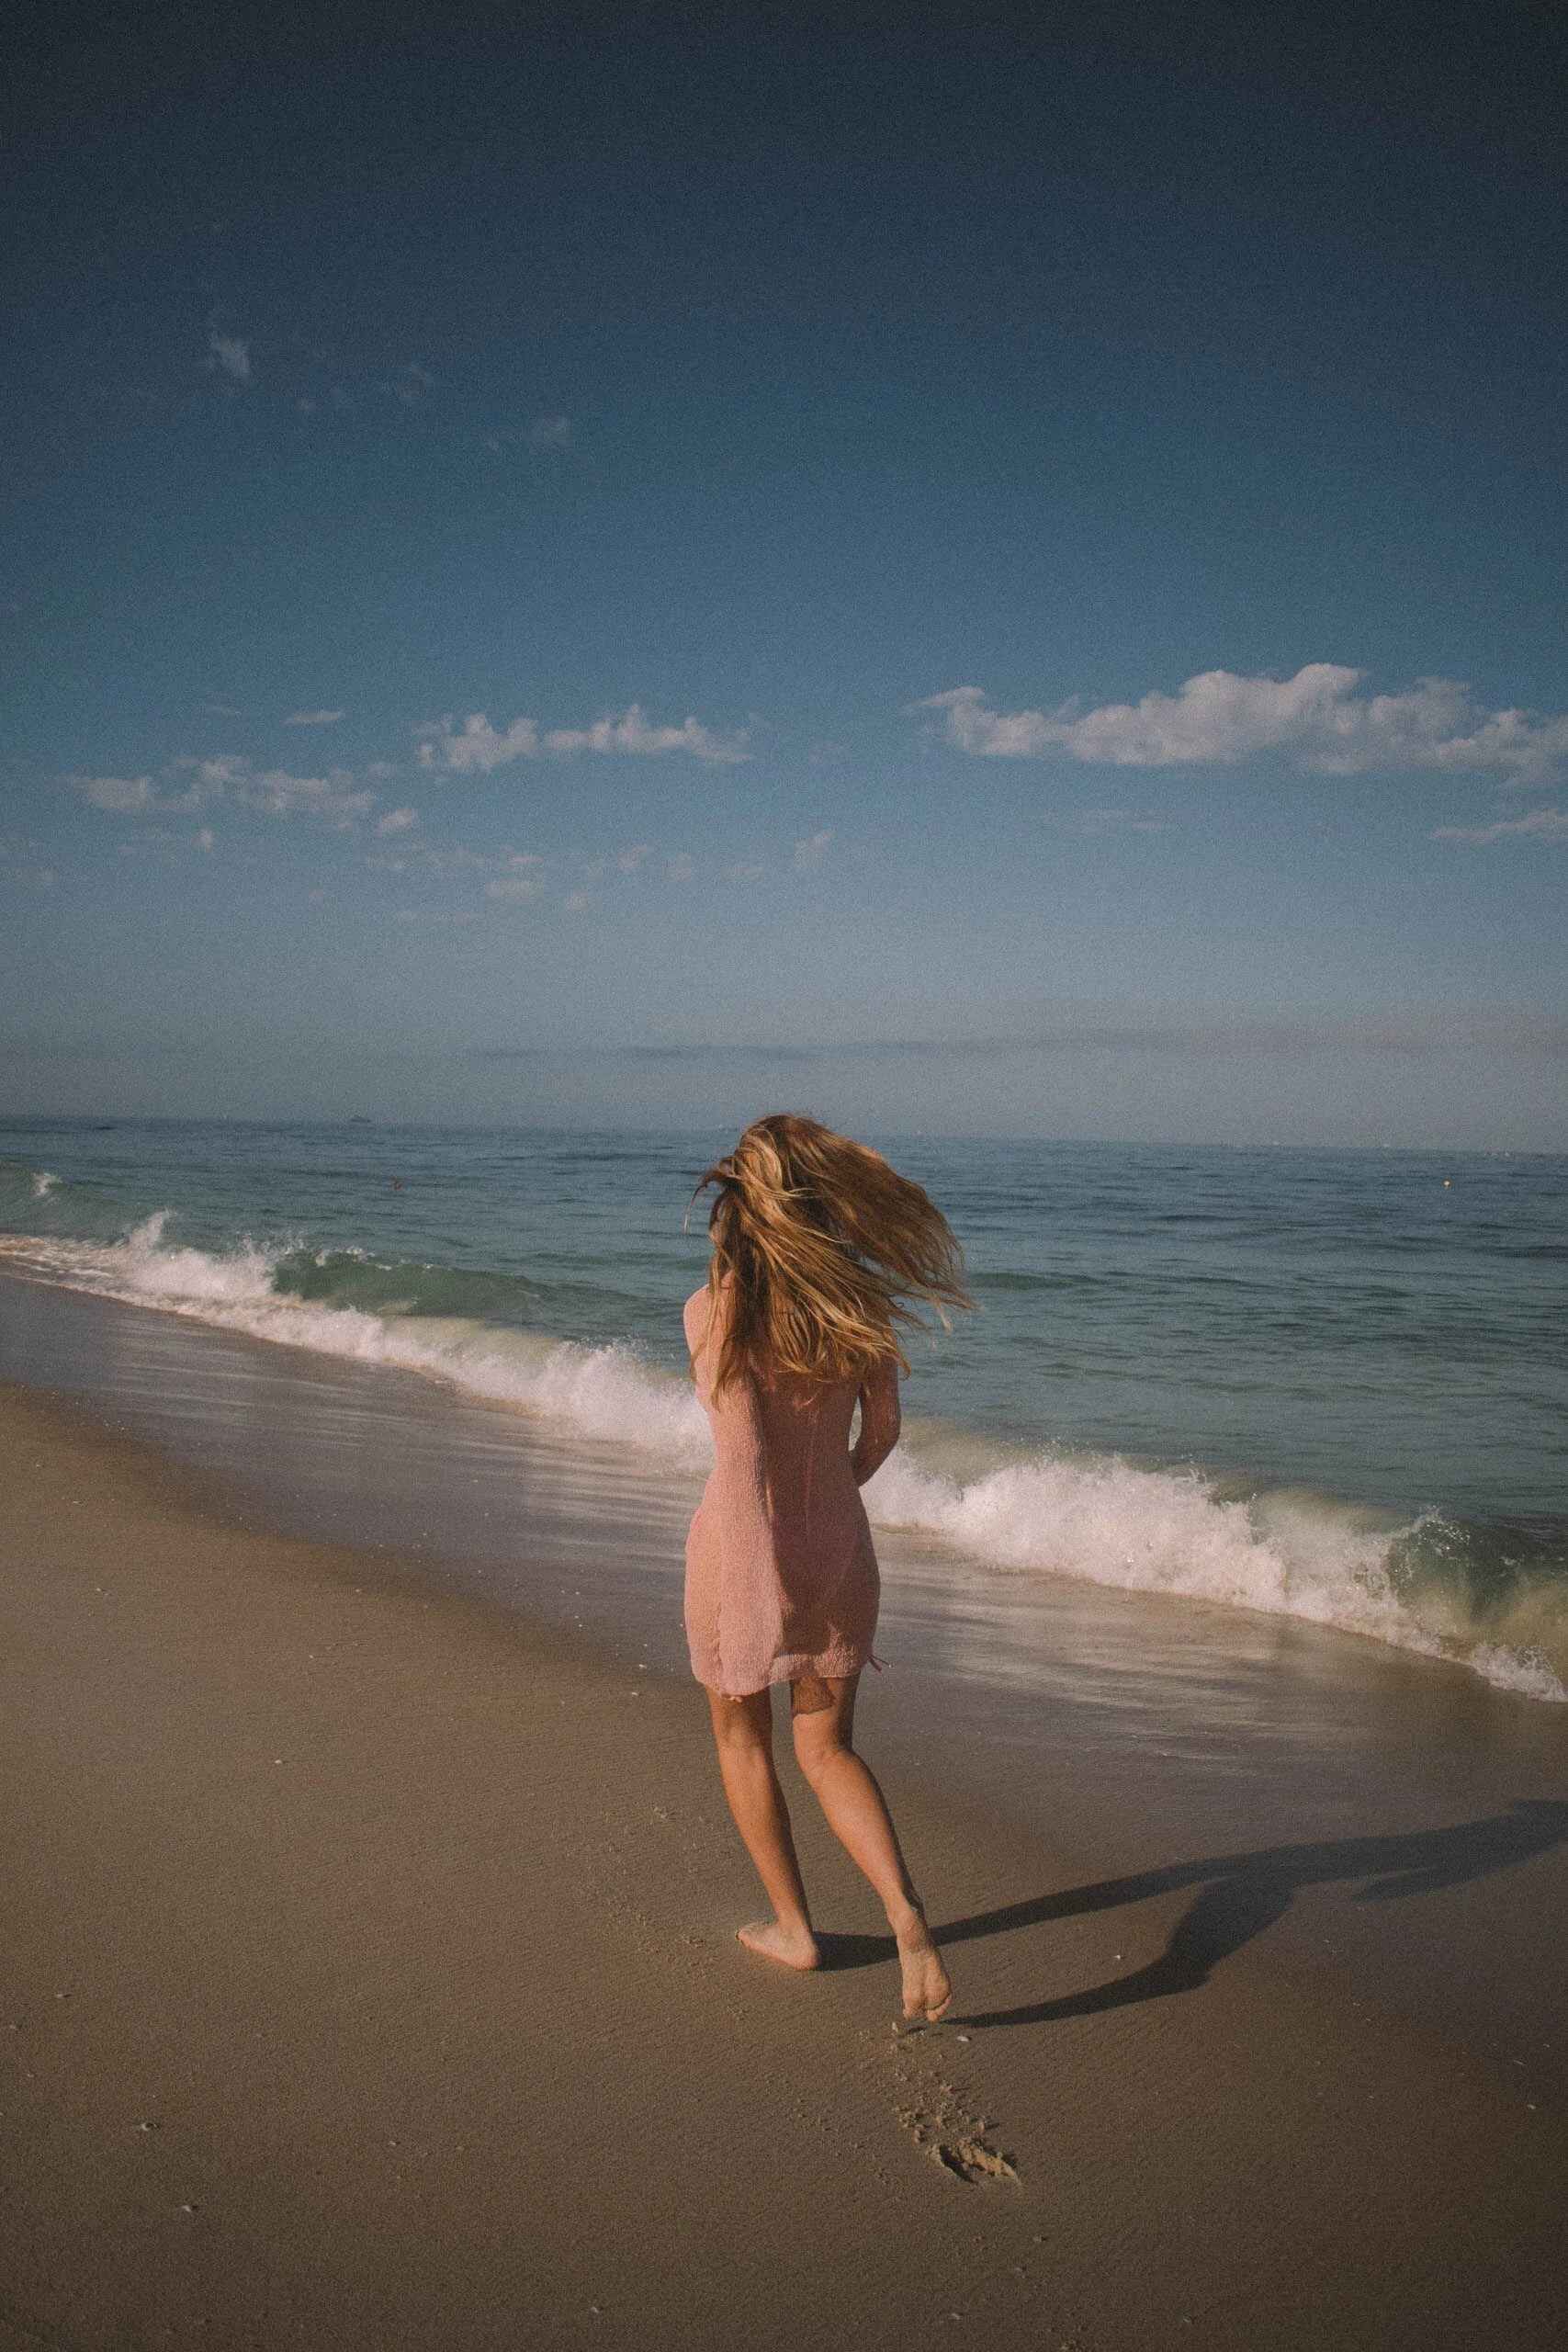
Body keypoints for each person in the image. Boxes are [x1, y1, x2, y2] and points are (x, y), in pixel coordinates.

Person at [682, 1113, 973, 2022]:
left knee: (743, 1740)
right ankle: (905, 1913)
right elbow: (880, 1436)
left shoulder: (716, 1312)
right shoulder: (858, 1315)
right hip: (838, 1551)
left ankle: (794, 1930)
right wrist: (827, 1510)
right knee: (829, 1748)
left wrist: (755, 1578)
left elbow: (740, 1456)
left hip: (741, 1553)